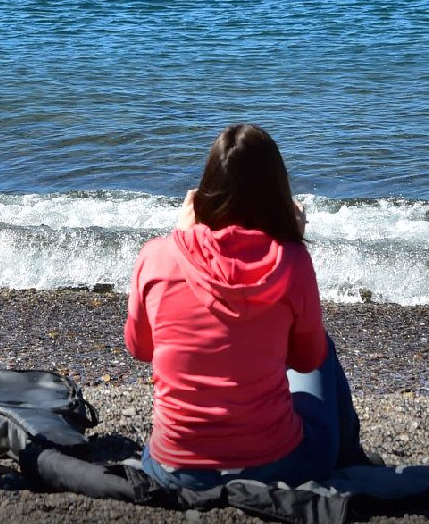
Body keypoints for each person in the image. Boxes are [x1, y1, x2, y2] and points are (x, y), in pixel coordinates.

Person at [124, 124, 365, 489]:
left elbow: (140, 347)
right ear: (277, 194)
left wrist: (178, 236)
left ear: (204, 192)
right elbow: (308, 359)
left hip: (174, 471)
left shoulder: (156, 255)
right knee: (322, 345)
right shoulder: (291, 261)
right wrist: (292, 242)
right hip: (277, 468)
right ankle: (351, 460)